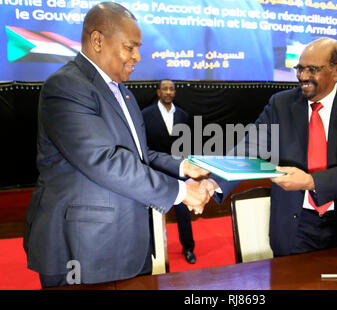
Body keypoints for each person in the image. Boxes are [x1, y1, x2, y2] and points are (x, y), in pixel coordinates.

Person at [23, 2, 212, 288]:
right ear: (97, 40)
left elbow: (139, 154)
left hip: (128, 243)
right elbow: (104, 160)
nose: (137, 56)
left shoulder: (123, 93)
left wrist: (186, 166)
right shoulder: (66, 87)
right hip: (81, 247)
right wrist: (182, 191)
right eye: (130, 47)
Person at [205, 38, 337, 256]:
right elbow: (250, 147)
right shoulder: (281, 104)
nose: (303, 76)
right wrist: (214, 182)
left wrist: (311, 181)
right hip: (296, 224)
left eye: (312, 69)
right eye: (300, 68)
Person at [142, 80, 197, 264]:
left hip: (179, 171)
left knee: (183, 212)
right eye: (164, 89)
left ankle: (188, 248)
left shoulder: (183, 115)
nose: (168, 92)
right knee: (153, 214)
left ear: (174, 92)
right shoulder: (145, 115)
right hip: (155, 172)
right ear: (158, 92)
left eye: (171, 89)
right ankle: (151, 250)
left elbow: (188, 145)